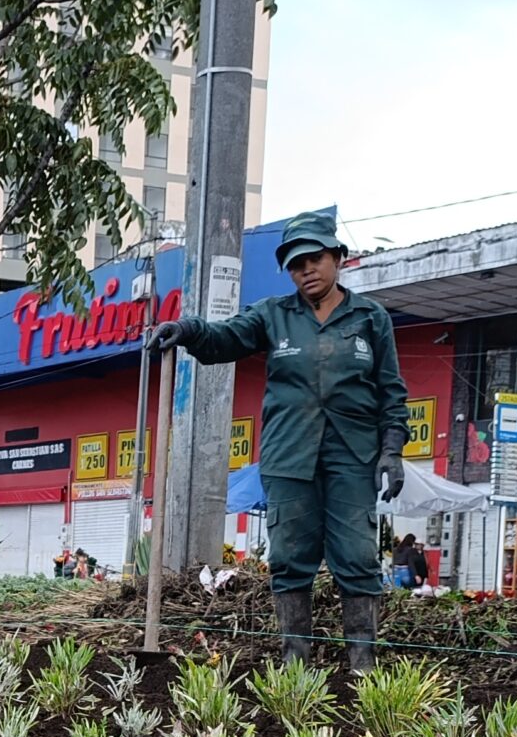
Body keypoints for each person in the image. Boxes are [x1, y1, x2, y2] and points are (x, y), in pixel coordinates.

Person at [148, 207, 408, 673]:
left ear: (337, 258)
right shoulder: (274, 315)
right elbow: (224, 339)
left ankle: (363, 664)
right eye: (294, 263)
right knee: (290, 558)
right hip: (289, 457)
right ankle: (295, 664)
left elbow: (392, 391)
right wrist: (187, 330)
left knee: (357, 557)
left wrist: (392, 450)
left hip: (353, 456)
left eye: (314, 259)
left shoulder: (371, 318)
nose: (305, 269)